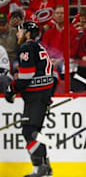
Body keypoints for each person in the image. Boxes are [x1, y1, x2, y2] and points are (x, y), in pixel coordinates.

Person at [5, 21, 54, 176]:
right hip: (41, 96)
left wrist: (12, 89)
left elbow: (26, 76)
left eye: (20, 31)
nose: (17, 34)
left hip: (35, 97)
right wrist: (46, 96)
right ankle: (45, 165)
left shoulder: (26, 48)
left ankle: (40, 168)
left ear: (27, 34)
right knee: (35, 132)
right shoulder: (40, 47)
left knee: (28, 131)